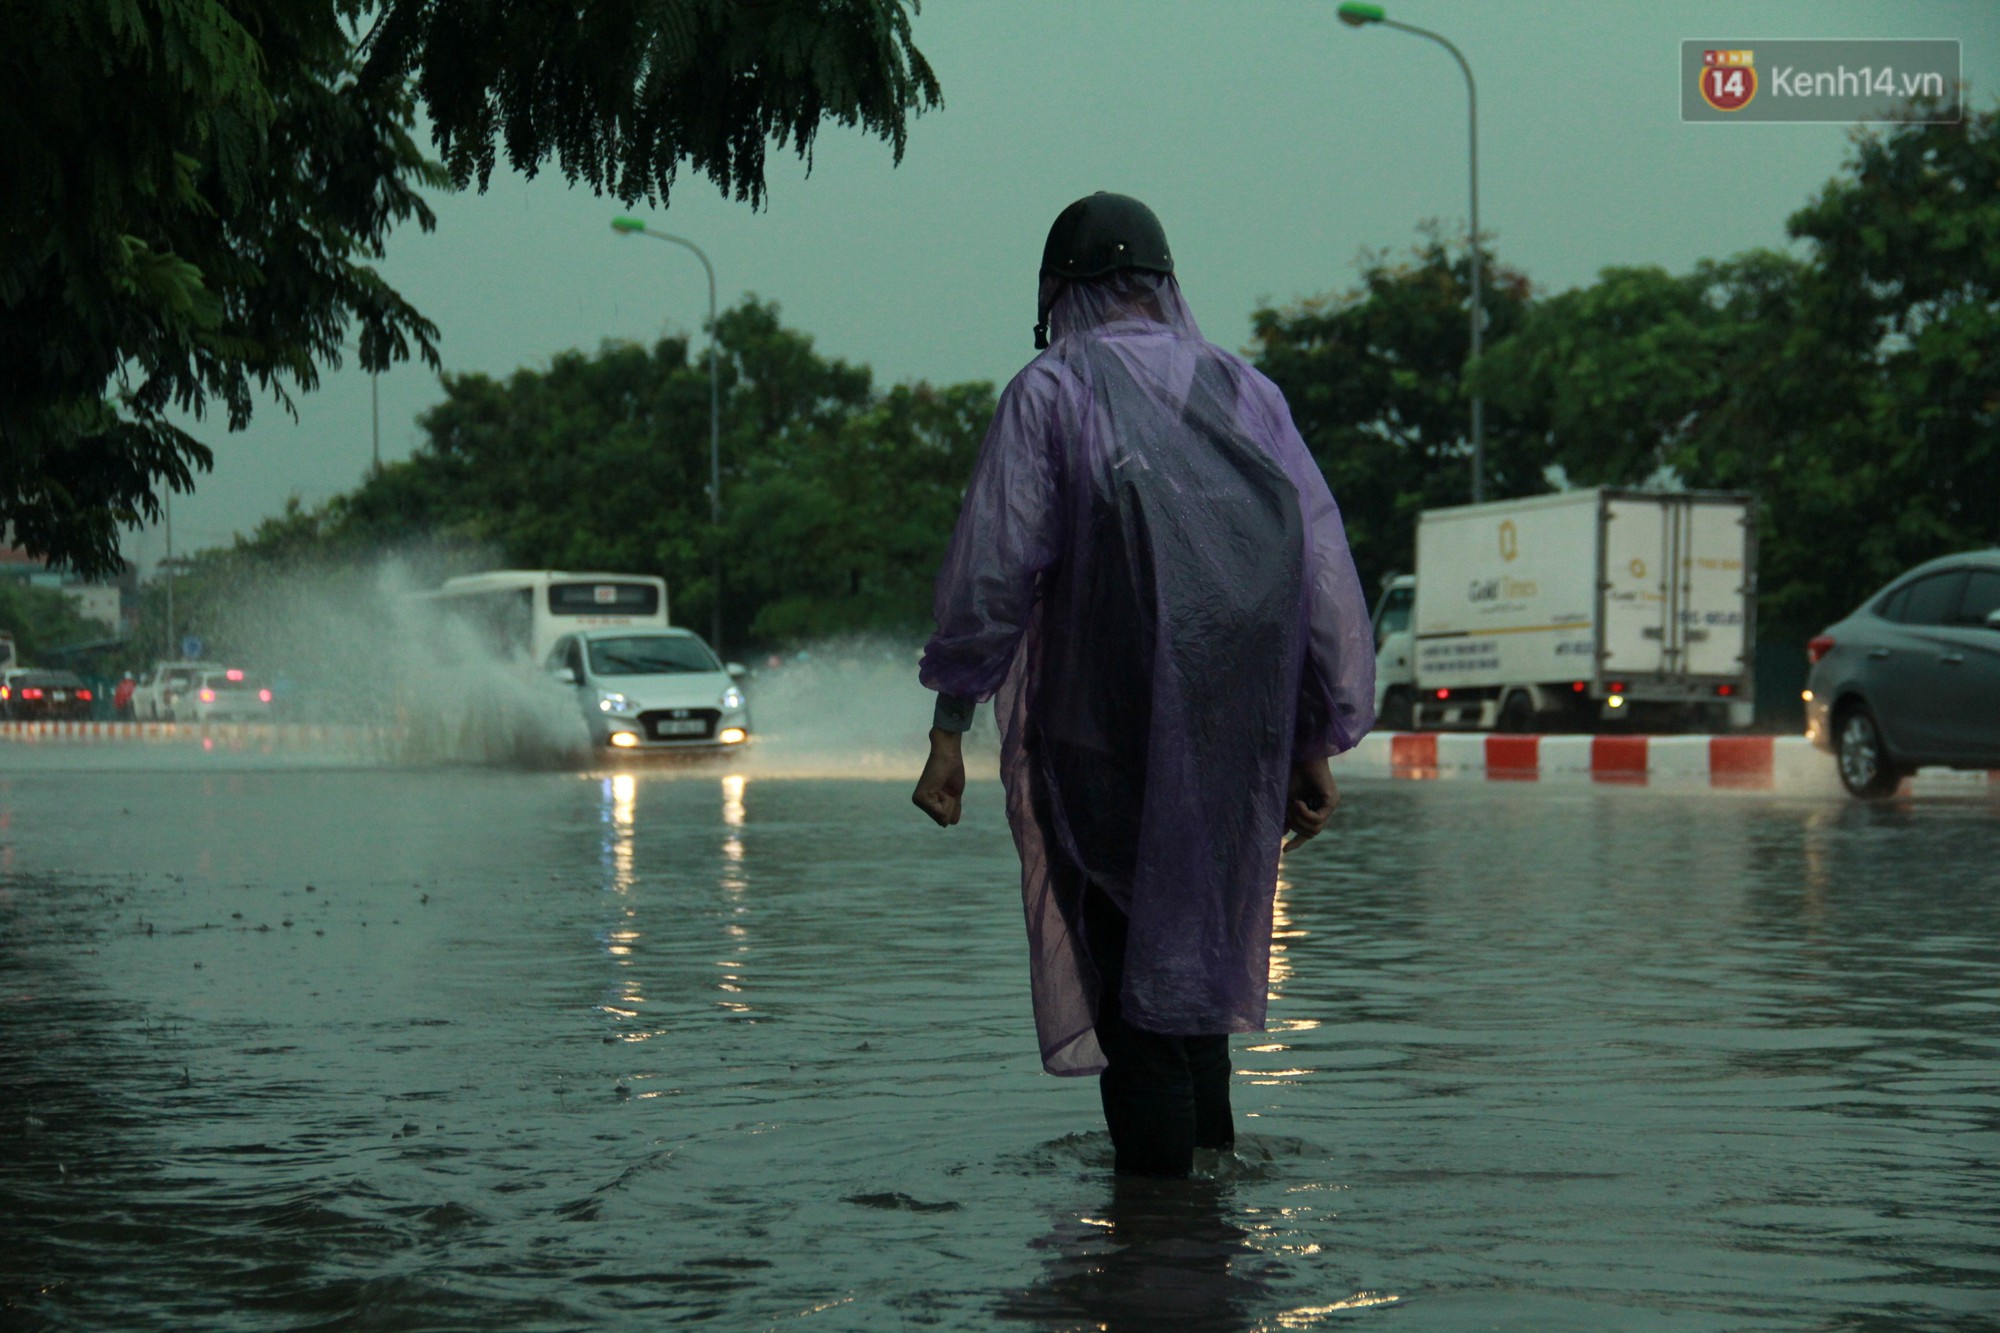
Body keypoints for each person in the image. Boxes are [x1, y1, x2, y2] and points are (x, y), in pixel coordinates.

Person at [912, 193, 1376, 1178]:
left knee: (1134, 997)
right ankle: (1212, 1229)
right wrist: (1306, 735)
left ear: (1056, 292)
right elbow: (1313, 570)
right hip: (1228, 746)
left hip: (1101, 745)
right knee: (1193, 982)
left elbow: (992, 575)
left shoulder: (1050, 392)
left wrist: (949, 727)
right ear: (1164, 283)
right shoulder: (1246, 393)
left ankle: (1156, 1253)